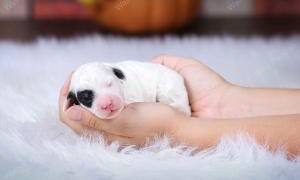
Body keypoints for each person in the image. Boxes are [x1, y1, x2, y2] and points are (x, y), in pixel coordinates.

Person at [59, 55, 300, 155]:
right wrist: (224, 100)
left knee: (168, 91)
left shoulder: (124, 76)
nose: (107, 100)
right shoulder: (113, 81)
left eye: (110, 85)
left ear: (117, 76)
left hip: (167, 85)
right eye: (90, 98)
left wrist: (179, 131)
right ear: (75, 100)